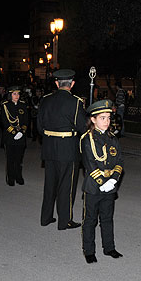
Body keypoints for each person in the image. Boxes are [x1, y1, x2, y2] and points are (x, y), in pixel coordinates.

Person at [37, 69, 87, 230]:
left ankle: (45, 217)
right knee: (66, 186)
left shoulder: (45, 100)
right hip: (67, 149)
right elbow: (82, 128)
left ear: (57, 83)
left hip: (49, 147)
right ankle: (64, 220)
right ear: (72, 84)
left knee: (50, 184)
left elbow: (39, 127)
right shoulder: (76, 102)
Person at [80, 99, 124, 264]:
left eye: (108, 118)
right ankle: (89, 251)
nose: (106, 121)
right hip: (93, 186)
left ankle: (109, 247)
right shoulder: (87, 139)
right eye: (102, 118)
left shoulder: (112, 138)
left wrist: (113, 180)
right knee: (90, 220)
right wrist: (102, 181)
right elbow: (89, 163)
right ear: (93, 119)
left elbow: (119, 160)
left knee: (107, 218)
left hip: (110, 186)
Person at [1, 86, 28, 186]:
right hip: (10, 137)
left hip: (21, 136)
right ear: (10, 95)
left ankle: (18, 176)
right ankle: (11, 177)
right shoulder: (5, 106)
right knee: (10, 158)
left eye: (18, 94)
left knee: (19, 159)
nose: (17, 96)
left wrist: (22, 132)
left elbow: (26, 120)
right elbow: (4, 121)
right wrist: (14, 133)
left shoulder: (23, 105)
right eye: (14, 94)